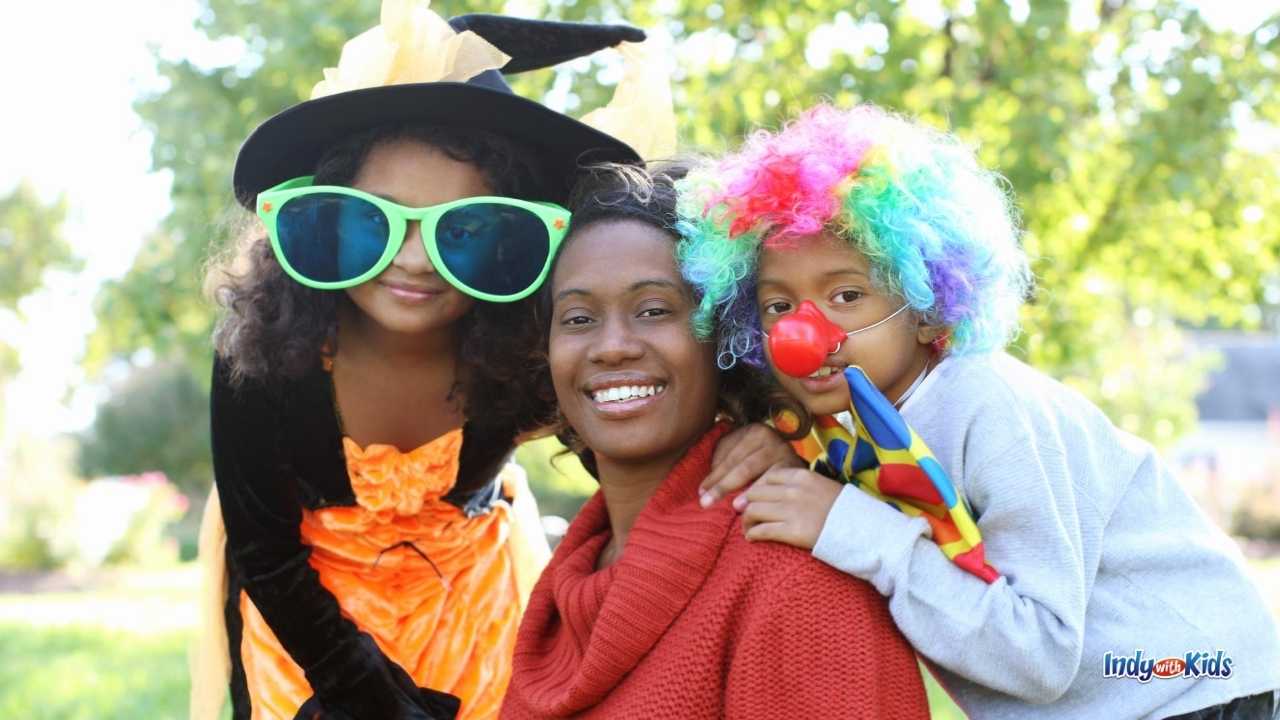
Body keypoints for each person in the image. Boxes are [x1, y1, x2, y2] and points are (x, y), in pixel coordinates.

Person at [679, 103, 1280, 719]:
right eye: (778, 306)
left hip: (1195, 687)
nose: (803, 332)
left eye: (848, 295)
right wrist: (785, 448)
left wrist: (850, 526)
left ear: (929, 308)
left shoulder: (989, 406)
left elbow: (1039, 655)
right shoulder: (848, 420)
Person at [191, 4, 660, 718]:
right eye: (378, 218)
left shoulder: (530, 348)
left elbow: (637, 457)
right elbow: (266, 553)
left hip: (474, 615)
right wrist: (364, 693)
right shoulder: (264, 351)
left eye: (466, 228)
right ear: (330, 215)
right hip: (306, 630)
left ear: (514, 240)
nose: (415, 260)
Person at [498, 163, 932, 719]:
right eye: (578, 318)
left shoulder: (796, 578)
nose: (611, 347)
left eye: (654, 310)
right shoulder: (562, 591)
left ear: (730, 339)